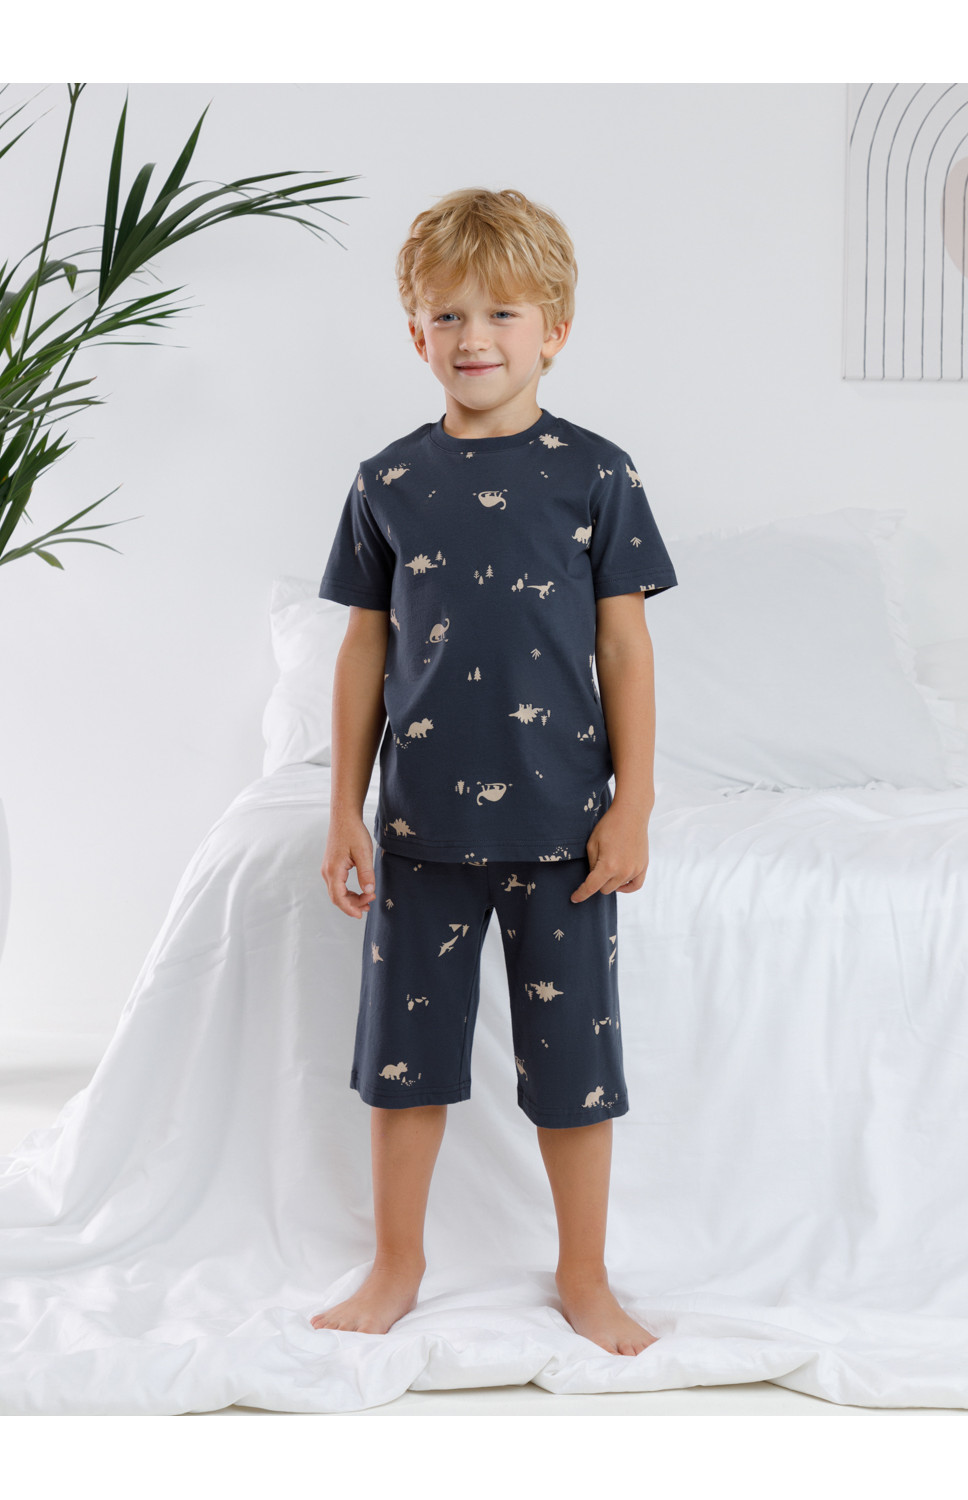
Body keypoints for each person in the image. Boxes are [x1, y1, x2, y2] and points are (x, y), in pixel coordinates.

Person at [310, 188, 677, 1356]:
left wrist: (633, 803)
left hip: (565, 831)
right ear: (414, 333)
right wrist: (342, 809)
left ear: (553, 329)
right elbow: (363, 648)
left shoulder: (597, 476)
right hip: (418, 831)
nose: (474, 337)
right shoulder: (386, 482)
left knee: (575, 1068)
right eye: (447, 315)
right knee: (404, 1066)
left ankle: (584, 1274)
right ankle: (396, 1265)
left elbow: (625, 647)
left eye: (502, 313)